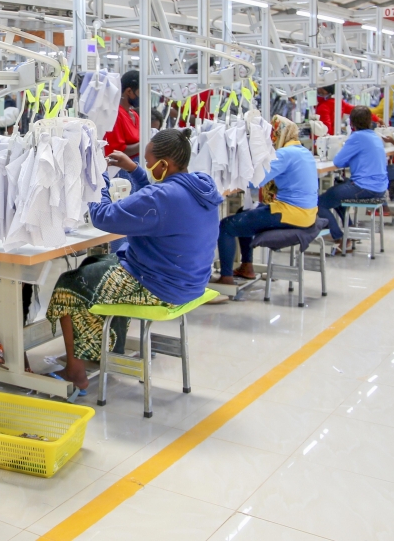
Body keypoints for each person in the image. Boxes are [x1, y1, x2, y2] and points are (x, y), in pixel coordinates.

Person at [46, 129, 222, 393]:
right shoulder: (199, 185)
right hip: (191, 281)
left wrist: (98, 178)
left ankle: (76, 373)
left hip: (161, 287)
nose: (148, 167)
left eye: (150, 164)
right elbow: (157, 201)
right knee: (91, 268)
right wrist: (137, 172)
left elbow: (103, 217)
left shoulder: (161, 197)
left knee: (68, 284)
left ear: (165, 164)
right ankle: (105, 347)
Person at [215, 116, 317, 284]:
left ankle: (226, 278)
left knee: (226, 226)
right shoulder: (303, 151)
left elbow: (257, 180)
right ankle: (247, 266)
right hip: (306, 213)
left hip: (291, 213)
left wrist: (232, 174)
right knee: (244, 212)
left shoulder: (285, 154)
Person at [317, 106, 389, 250]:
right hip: (380, 187)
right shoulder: (374, 135)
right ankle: (349, 231)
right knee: (336, 192)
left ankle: (339, 237)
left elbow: (338, 162)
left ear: (351, 123)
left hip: (365, 188)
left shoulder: (357, 137)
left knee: (318, 202)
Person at [104, 70, 141, 158]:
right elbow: (116, 151)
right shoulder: (115, 115)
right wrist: (146, 144)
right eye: (141, 92)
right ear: (129, 91)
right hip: (120, 169)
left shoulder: (134, 114)